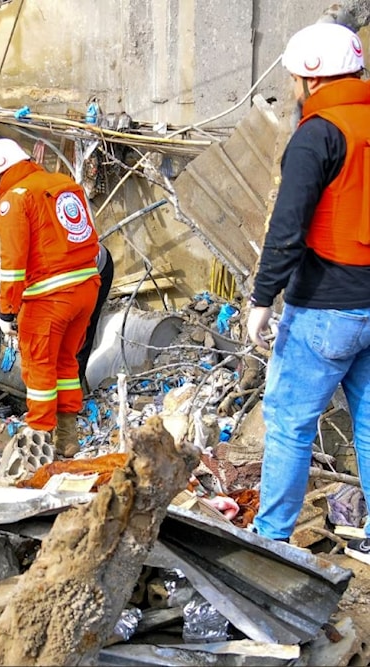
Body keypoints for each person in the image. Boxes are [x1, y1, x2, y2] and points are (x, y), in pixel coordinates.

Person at [245, 22, 370, 564]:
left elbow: (287, 228)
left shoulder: (318, 134)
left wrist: (261, 299)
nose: (293, 86)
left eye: (295, 77)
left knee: (290, 423)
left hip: (326, 306)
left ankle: (271, 541)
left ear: (312, 78)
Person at [0, 137, 101, 456]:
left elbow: (13, 264)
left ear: (0, 174)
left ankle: (40, 442)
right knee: (65, 364)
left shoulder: (16, 198)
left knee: (39, 367)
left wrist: (7, 312)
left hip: (50, 296)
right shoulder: (63, 183)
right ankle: (68, 437)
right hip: (86, 287)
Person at [0, 241, 114, 406]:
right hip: (61, 272)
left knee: (78, 337)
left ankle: (68, 403)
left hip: (92, 268)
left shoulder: (32, 285)